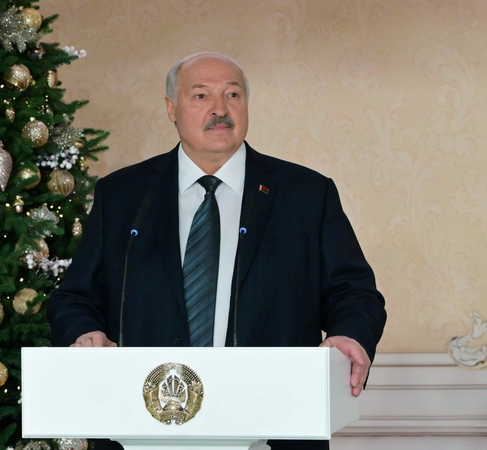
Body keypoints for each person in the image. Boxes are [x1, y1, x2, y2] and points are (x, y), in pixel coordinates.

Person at [47, 52, 387, 450]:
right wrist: (85, 333)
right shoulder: (123, 195)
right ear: (171, 109)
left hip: (275, 427)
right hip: (142, 425)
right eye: (201, 96)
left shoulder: (306, 194)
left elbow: (355, 293)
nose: (220, 110)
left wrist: (350, 334)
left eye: (233, 95)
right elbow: (76, 298)